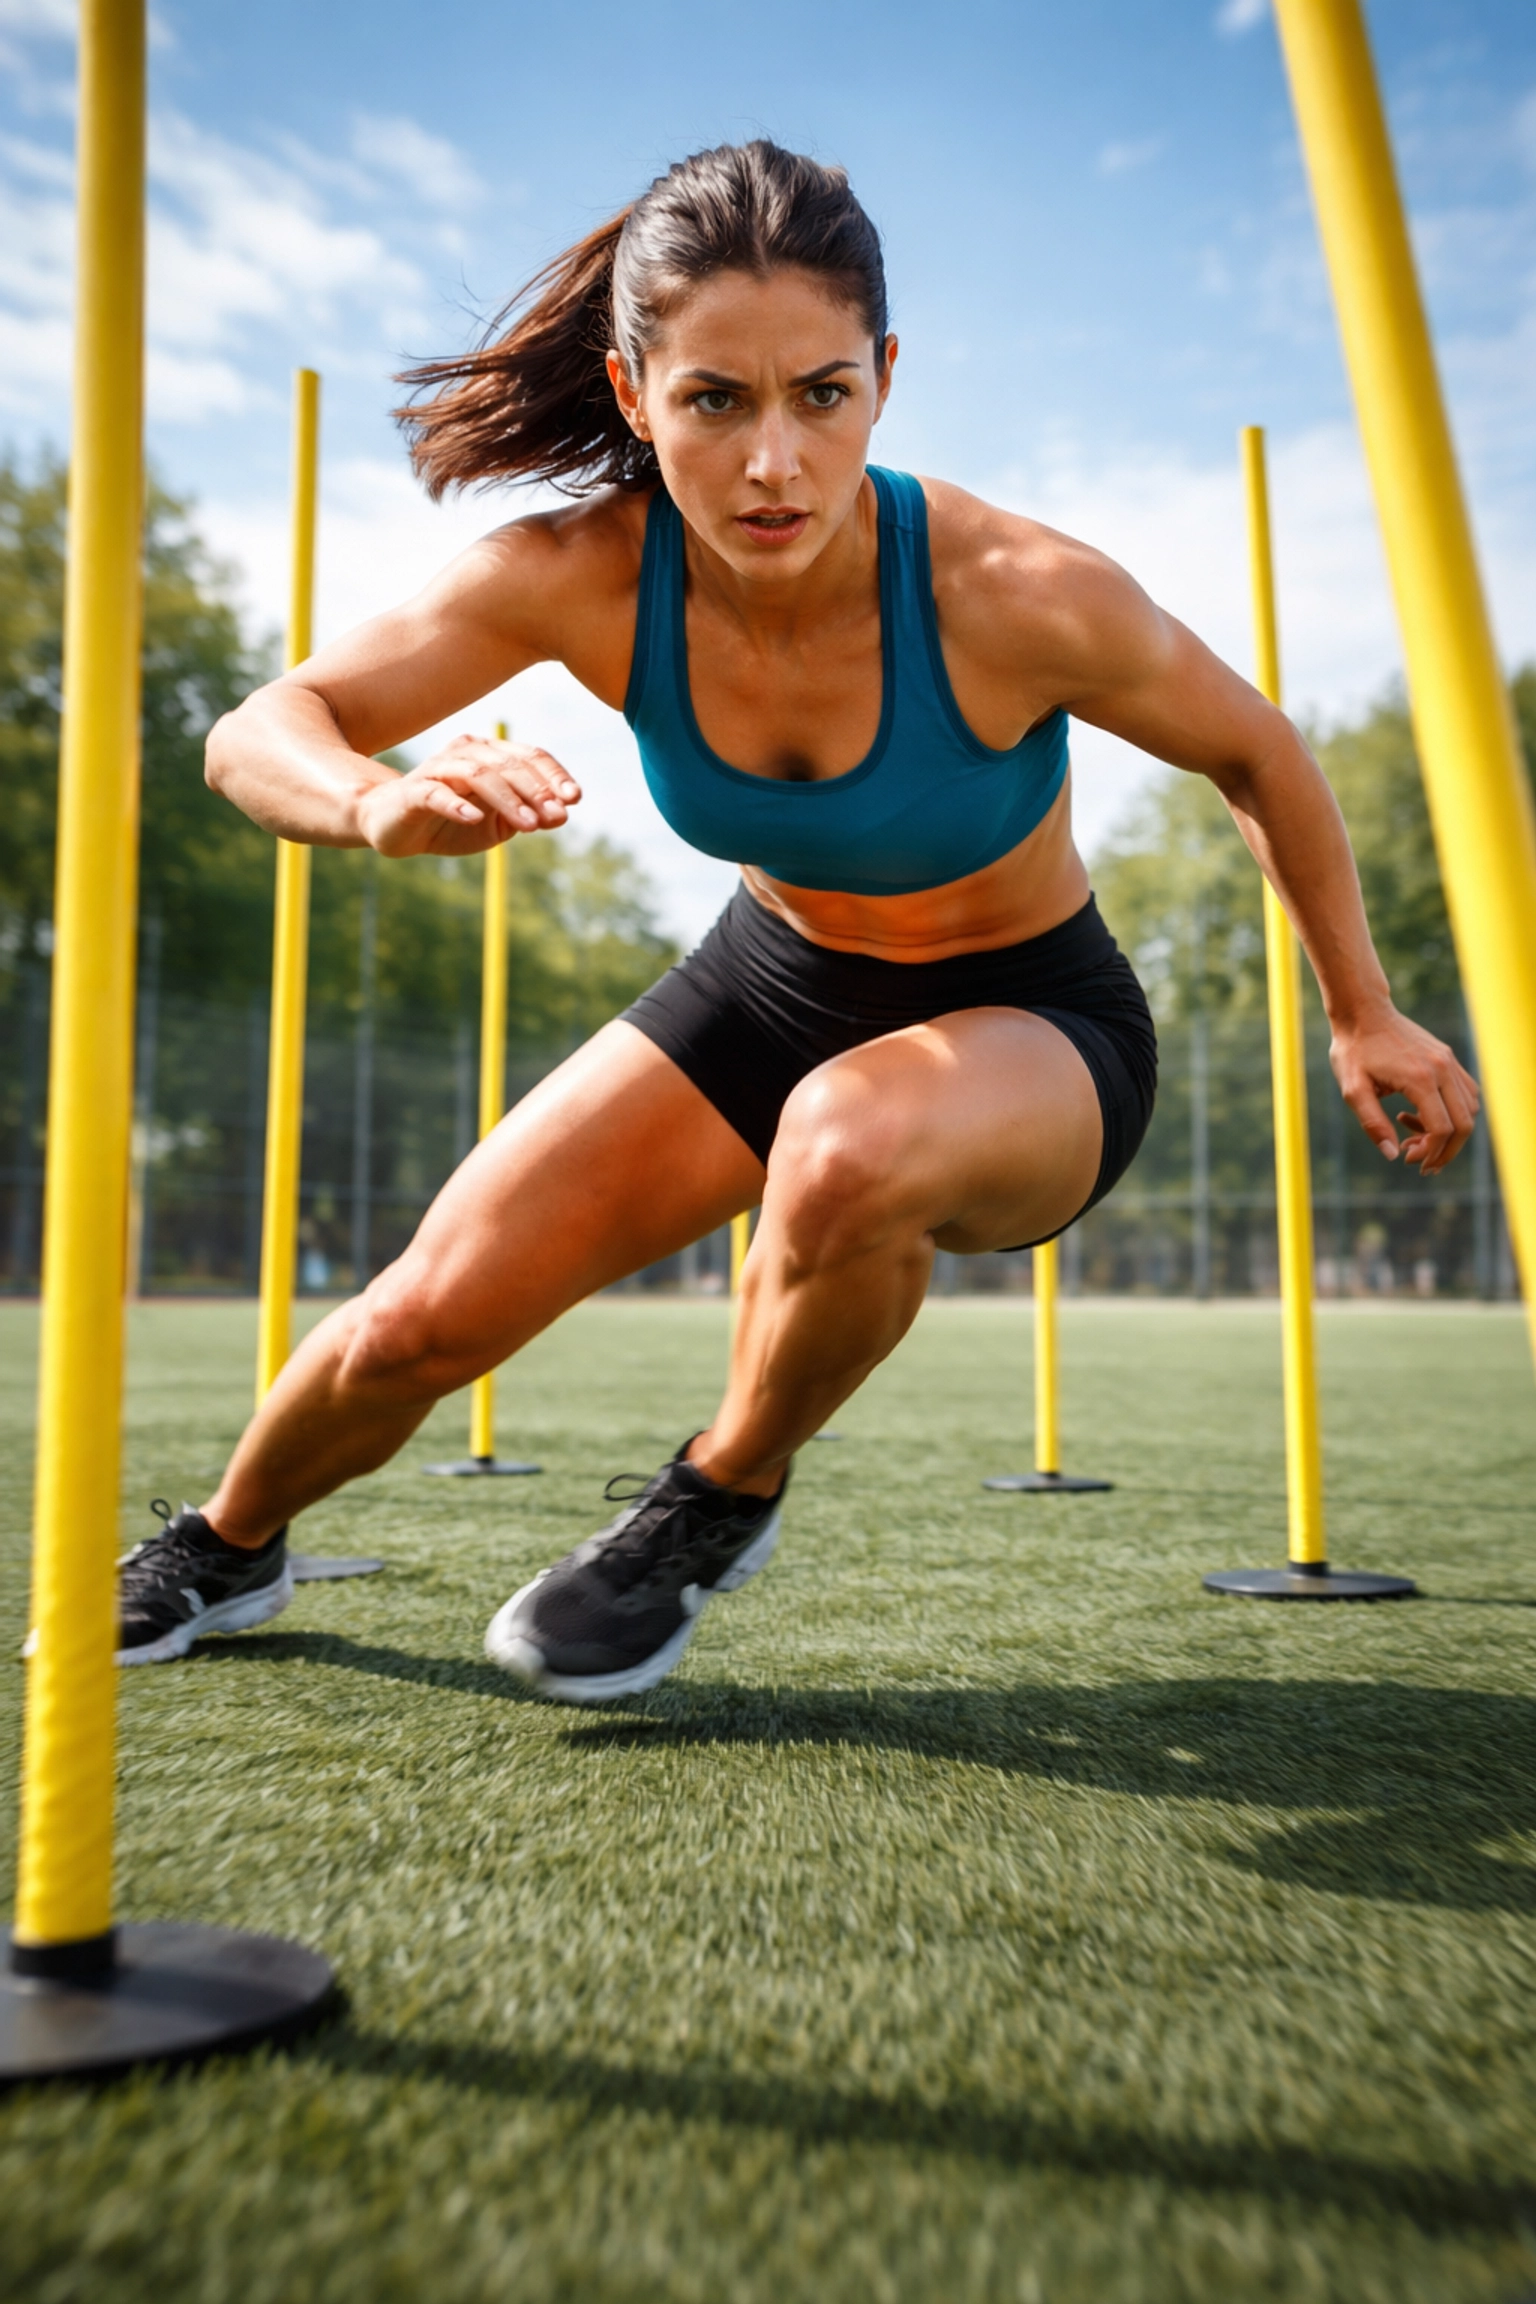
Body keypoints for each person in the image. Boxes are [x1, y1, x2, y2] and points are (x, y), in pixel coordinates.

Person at [113, 141, 1477, 1694]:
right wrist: (374, 800)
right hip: (770, 986)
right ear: (636, 396)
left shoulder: (1018, 590)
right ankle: (225, 1546)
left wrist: (1361, 1007)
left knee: (844, 1138)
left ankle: (720, 1489)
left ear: (883, 378)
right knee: (419, 1320)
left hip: (1039, 1023)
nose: (776, 463)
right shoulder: (576, 576)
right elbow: (261, 727)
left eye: (821, 395)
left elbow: (1260, 751)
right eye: (716, 402)